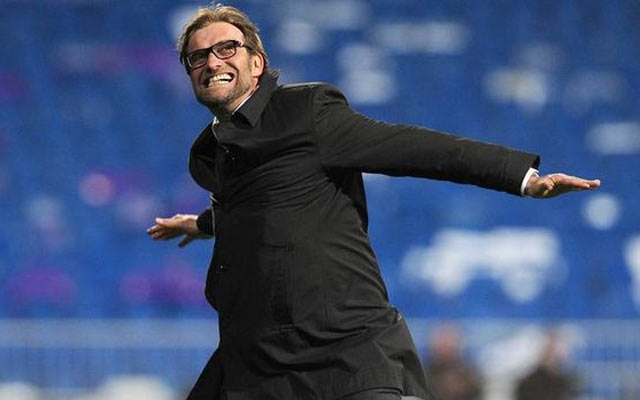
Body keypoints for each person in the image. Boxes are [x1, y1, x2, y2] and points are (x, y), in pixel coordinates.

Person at [146, 5, 600, 400]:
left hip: (341, 352)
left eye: (226, 48)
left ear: (257, 62)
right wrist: (203, 224)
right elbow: (266, 205)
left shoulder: (306, 111)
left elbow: (412, 148)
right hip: (257, 361)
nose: (212, 61)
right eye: (198, 56)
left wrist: (521, 177)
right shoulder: (211, 152)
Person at [423, 324, 482, 400]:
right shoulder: (423, 375)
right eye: (442, 345)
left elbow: (477, 392)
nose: (445, 350)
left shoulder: (468, 375)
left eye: (449, 345)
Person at [515, 331, 579, 400]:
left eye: (557, 350)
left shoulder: (567, 384)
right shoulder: (527, 384)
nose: (553, 355)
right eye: (549, 349)